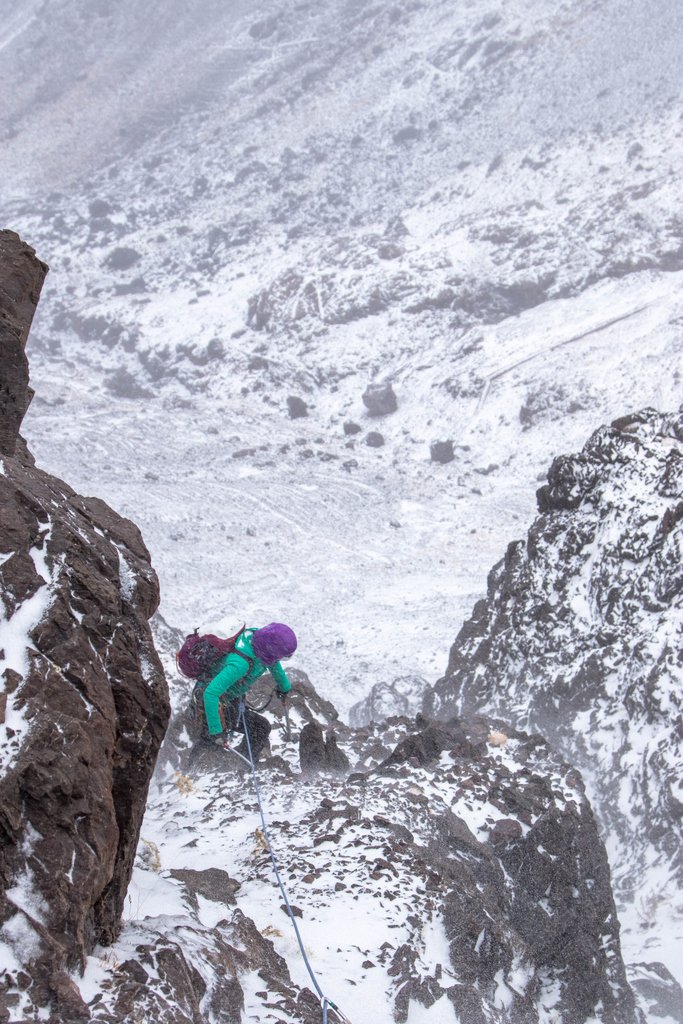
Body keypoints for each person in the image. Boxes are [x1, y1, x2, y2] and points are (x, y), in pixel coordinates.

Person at [203, 622, 296, 760]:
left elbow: (273, 663)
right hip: (212, 703)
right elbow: (210, 694)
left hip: (228, 696)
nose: (279, 659)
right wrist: (216, 731)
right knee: (259, 728)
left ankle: (238, 762)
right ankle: (239, 763)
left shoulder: (257, 643)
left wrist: (284, 687)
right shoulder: (240, 665)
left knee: (259, 727)